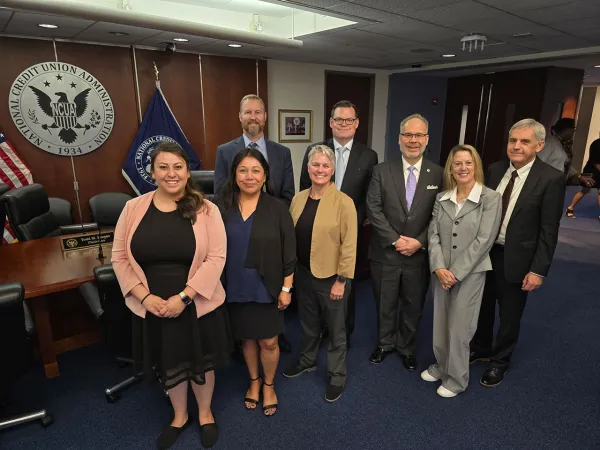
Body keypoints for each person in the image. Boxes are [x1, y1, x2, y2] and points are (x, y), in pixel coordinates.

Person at [112, 143, 232, 449]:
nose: (171, 173)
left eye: (178, 167)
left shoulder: (207, 209)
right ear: (152, 172)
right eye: (163, 167)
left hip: (196, 302)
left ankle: (205, 414)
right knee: (170, 361)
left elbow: (216, 258)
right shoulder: (132, 208)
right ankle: (180, 416)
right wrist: (144, 297)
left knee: (201, 361)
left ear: (188, 171)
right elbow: (119, 258)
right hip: (153, 304)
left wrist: (185, 297)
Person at [470, 118, 565, 387]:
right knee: (483, 306)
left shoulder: (550, 178)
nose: (517, 146)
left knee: (510, 315)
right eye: (513, 140)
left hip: (518, 259)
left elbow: (549, 230)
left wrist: (538, 270)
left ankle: (500, 362)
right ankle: (481, 347)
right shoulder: (495, 169)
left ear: (539, 145)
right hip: (485, 254)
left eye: (524, 141)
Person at [216, 148, 296, 417]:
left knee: (269, 342)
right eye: (242, 170)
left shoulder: (278, 208)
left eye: (255, 171)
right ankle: (254, 381)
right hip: (233, 285)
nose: (249, 176)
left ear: (265, 176)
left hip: (267, 286)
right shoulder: (220, 206)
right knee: (247, 339)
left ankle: (269, 385)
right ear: (234, 174)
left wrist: (287, 288)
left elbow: (289, 253)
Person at [214, 94, 295, 352]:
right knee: (245, 327)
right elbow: (220, 195)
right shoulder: (225, 151)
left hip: (271, 238)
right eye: (248, 112)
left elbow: (288, 194)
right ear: (240, 117)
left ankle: (273, 335)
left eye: (258, 112)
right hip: (238, 233)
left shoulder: (282, 153)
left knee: (270, 330)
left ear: (265, 116)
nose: (253, 117)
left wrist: (268, 217)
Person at [422, 145, 501, 398]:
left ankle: (456, 379)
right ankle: (441, 366)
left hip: (470, 272)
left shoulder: (490, 198)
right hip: (441, 271)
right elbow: (432, 235)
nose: (463, 168)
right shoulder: (442, 198)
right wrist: (438, 267)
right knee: (440, 322)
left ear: (475, 165)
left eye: (468, 163)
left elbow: (485, 239)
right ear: (451, 169)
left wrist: (455, 272)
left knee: (460, 327)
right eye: (458, 164)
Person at [366, 113, 443, 370]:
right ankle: (385, 343)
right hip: (386, 253)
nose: (413, 140)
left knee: (413, 304)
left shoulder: (439, 174)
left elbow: (440, 215)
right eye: (408, 135)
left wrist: (419, 242)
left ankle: (406, 347)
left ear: (427, 139)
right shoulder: (381, 170)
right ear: (399, 139)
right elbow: (373, 209)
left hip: (418, 256)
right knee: (384, 302)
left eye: (419, 135)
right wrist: (395, 240)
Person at [299, 100, 378, 347]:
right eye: (339, 120)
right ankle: (321, 331)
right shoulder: (315, 150)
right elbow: (305, 186)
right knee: (317, 283)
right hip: (319, 230)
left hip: (350, 227)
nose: (344, 124)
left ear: (356, 124)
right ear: (331, 122)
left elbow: (369, 195)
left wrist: (353, 218)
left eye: (349, 120)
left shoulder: (368, 155)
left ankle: (344, 332)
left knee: (345, 283)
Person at [283, 145, 357, 403]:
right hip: (303, 274)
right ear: (308, 168)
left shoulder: (344, 202)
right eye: (315, 165)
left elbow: (349, 245)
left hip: (331, 279)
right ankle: (307, 360)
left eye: (326, 166)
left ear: (333, 170)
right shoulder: (298, 198)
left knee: (336, 330)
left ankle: (337, 375)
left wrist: (341, 280)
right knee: (308, 323)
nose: (320, 170)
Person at [538, 118, 595, 192]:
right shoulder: (549, 144)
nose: (573, 133)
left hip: (556, 185)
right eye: (573, 130)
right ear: (566, 130)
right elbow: (538, 163)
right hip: (546, 185)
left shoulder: (560, 145)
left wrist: (580, 176)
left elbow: (564, 165)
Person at [565, 138, 600, 220]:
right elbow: (595, 162)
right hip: (590, 171)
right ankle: (570, 208)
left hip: (598, 172)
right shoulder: (596, 144)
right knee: (585, 190)